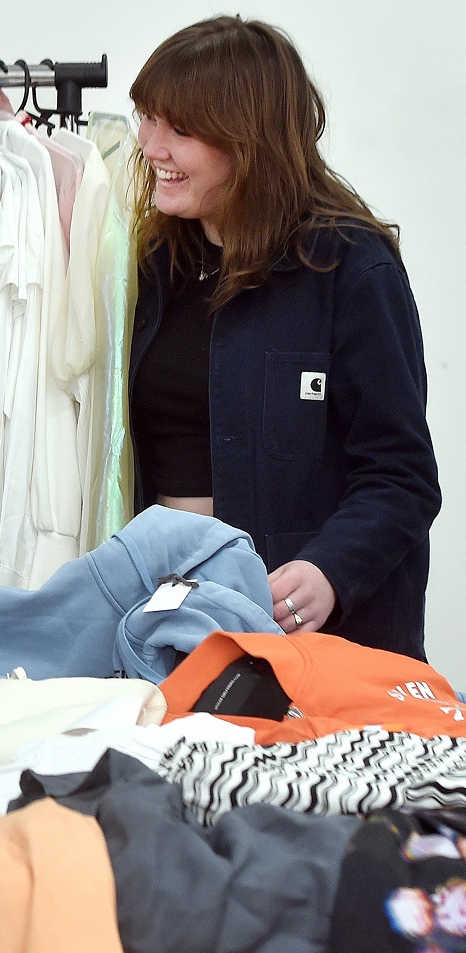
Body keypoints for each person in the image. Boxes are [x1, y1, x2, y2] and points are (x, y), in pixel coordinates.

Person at [128, 16, 439, 659]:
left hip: (317, 642)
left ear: (248, 142)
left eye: (178, 130)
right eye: (147, 118)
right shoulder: (157, 265)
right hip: (175, 626)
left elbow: (401, 475)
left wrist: (328, 572)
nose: (150, 146)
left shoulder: (353, 268)